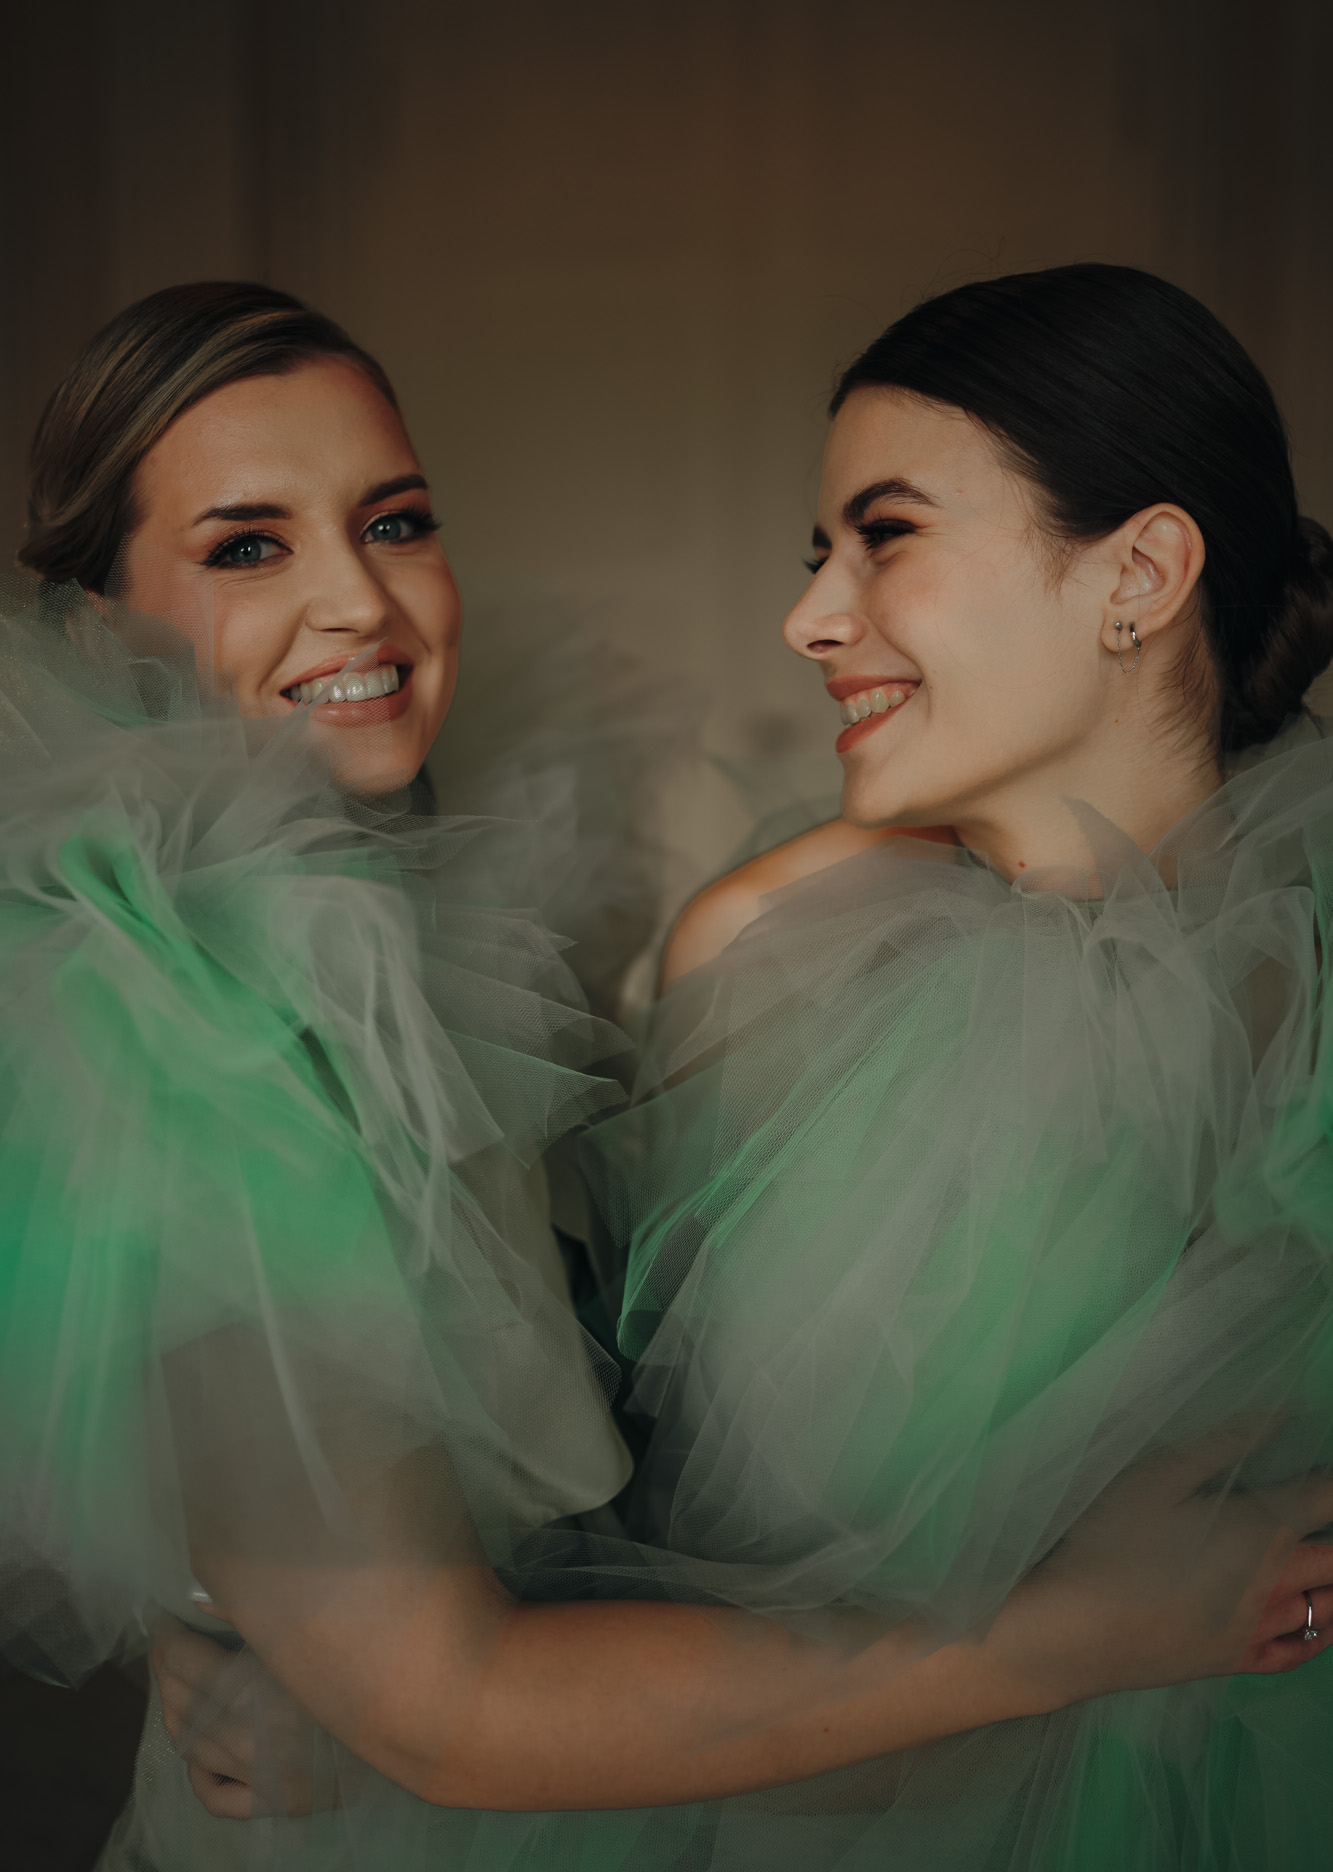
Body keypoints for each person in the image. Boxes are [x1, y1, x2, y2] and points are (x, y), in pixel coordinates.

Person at [156, 268, 1333, 1871]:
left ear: (1137, 572)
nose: (808, 620)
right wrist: (313, 1666)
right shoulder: (776, 946)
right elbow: (623, 1492)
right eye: (814, 555)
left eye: (885, 534)